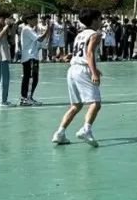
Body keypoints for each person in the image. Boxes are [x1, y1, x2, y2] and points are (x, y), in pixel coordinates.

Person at [52, 9, 105, 147]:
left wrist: (94, 68)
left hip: (72, 69)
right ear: (94, 20)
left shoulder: (80, 35)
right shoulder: (95, 35)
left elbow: (80, 54)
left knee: (76, 105)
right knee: (95, 103)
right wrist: (94, 72)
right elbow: (89, 53)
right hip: (83, 70)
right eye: (100, 18)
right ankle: (86, 130)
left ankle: (60, 133)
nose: (101, 21)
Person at [19, 14, 49, 105]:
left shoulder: (31, 29)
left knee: (33, 78)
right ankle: (26, 98)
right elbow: (40, 39)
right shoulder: (27, 29)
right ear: (28, 20)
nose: (36, 21)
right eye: (34, 19)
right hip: (29, 57)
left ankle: (28, 97)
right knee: (30, 78)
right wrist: (48, 29)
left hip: (33, 57)